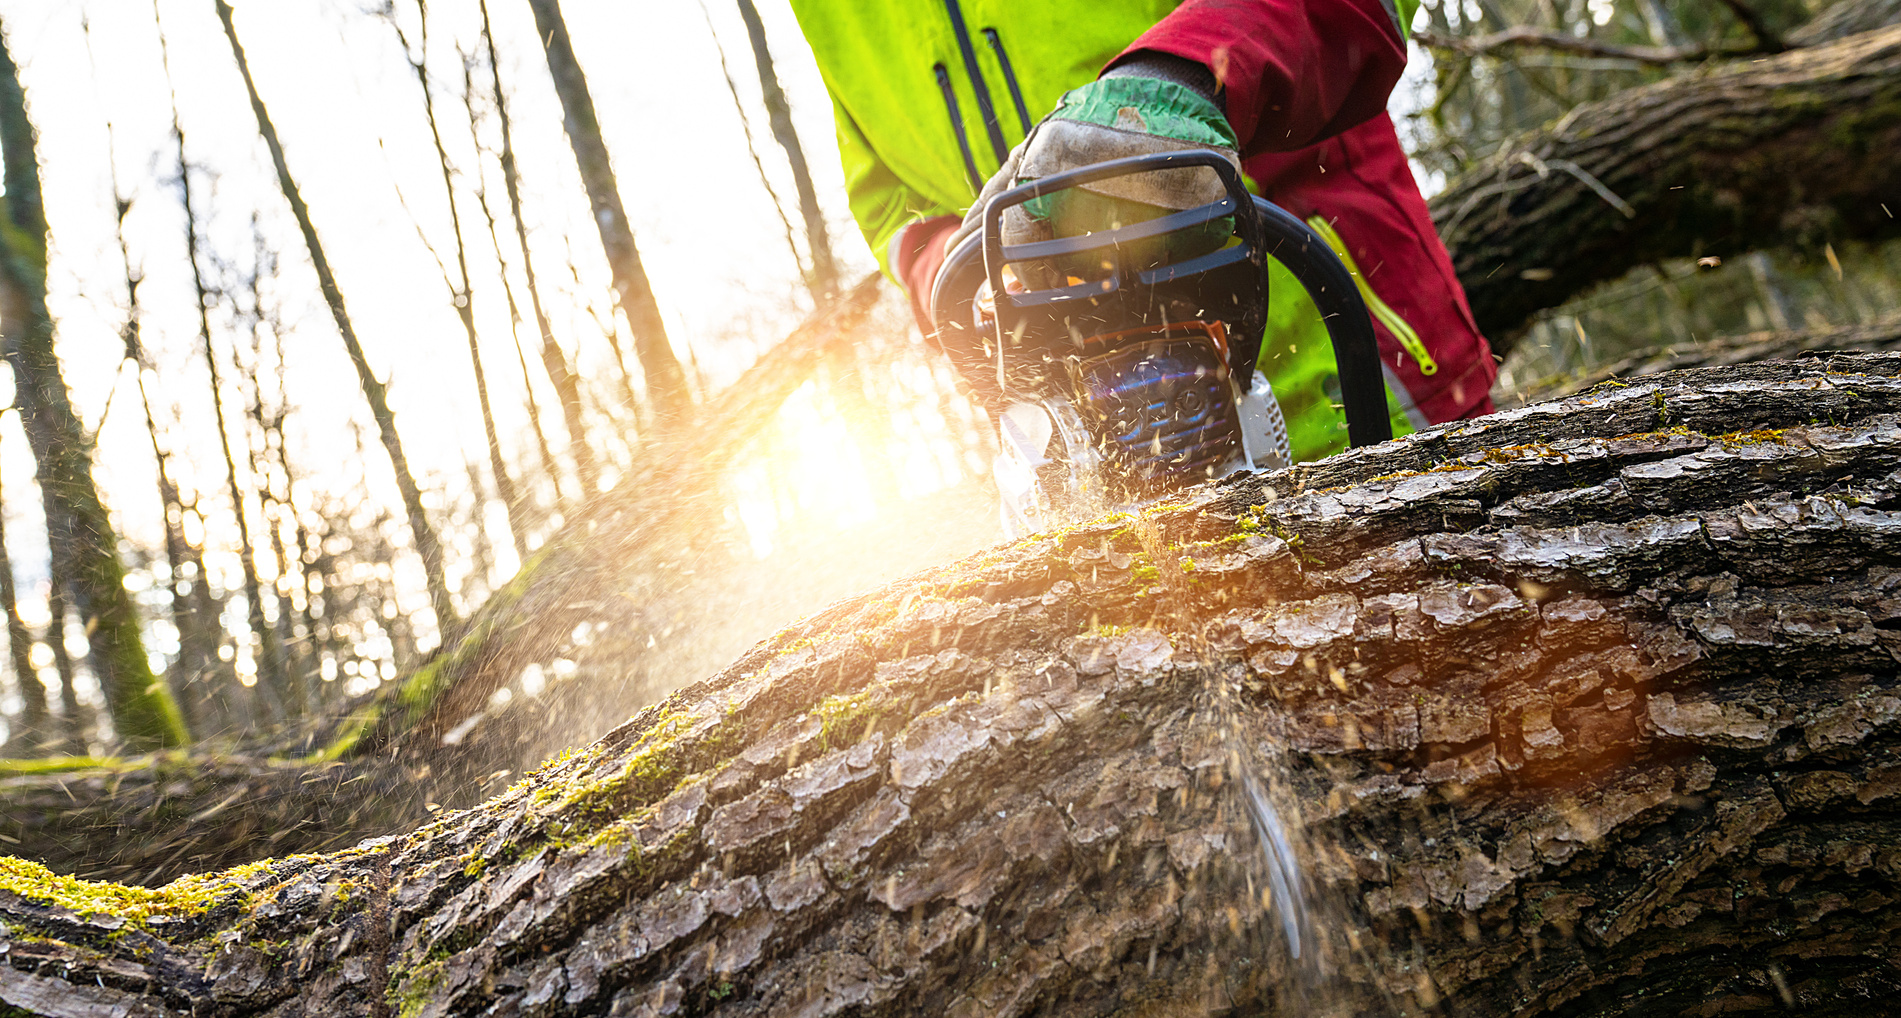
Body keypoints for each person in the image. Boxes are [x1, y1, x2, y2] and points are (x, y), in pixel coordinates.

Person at [788, 0, 1496, 465]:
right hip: (1087, 457)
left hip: (1351, 377)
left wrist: (1179, 81)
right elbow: (885, 196)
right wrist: (954, 266)